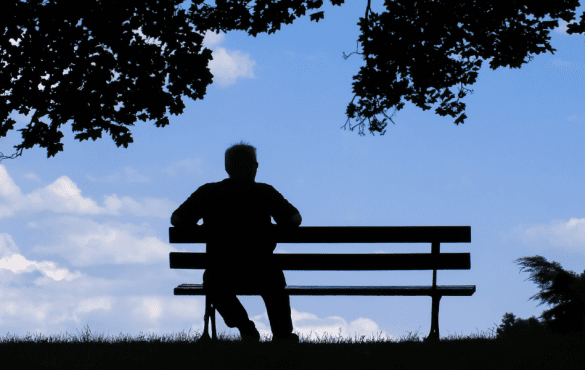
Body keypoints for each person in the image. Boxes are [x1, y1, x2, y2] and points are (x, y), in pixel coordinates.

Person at [170, 141, 302, 344]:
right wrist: (272, 231)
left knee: (213, 283)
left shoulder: (209, 192)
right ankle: (282, 334)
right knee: (275, 281)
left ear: (227, 168)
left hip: (221, 271)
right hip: (262, 270)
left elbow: (178, 220)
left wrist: (205, 231)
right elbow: (294, 219)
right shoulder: (265, 192)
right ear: (255, 166)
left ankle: (245, 327)